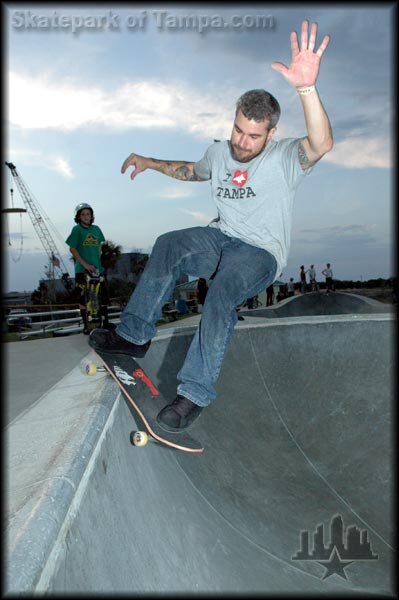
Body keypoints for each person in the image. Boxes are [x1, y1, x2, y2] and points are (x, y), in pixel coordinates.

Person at [89, 20, 333, 432]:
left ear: (271, 134)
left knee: (220, 295)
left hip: (260, 254)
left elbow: (321, 144)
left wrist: (306, 88)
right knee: (169, 243)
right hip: (220, 239)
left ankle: (194, 395)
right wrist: (151, 162)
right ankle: (133, 336)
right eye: (238, 130)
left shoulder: (285, 159)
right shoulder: (219, 153)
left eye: (253, 137)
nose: (241, 142)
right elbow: (191, 171)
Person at [66, 203, 111, 334]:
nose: (86, 216)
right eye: (83, 214)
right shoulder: (76, 230)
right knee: (83, 298)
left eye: (88, 214)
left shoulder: (96, 229)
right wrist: (85, 265)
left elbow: (98, 247)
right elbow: (72, 248)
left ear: (91, 216)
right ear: (79, 217)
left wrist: (98, 262)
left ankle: (105, 322)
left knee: (102, 296)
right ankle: (87, 325)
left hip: (97, 269)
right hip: (82, 269)